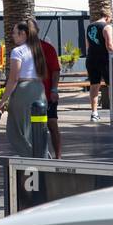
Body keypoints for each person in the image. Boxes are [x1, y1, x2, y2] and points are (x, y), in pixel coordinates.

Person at [3, 20, 48, 157]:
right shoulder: (38, 49)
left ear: (23, 34)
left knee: (17, 130)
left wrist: (3, 100)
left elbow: (13, 78)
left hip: (23, 91)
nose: (12, 36)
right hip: (39, 90)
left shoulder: (17, 51)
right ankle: (43, 157)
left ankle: (31, 158)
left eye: (14, 33)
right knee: (38, 130)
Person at [85, 11, 113, 121]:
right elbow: (109, 45)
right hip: (104, 59)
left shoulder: (89, 26)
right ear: (107, 17)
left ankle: (94, 113)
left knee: (94, 86)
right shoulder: (107, 27)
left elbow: (88, 45)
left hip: (91, 58)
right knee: (111, 85)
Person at [41, 30, 63, 158]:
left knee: (52, 125)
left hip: (48, 95)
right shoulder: (22, 49)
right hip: (31, 96)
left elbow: (55, 70)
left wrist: (54, 90)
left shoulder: (48, 48)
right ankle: (42, 154)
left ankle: (58, 156)